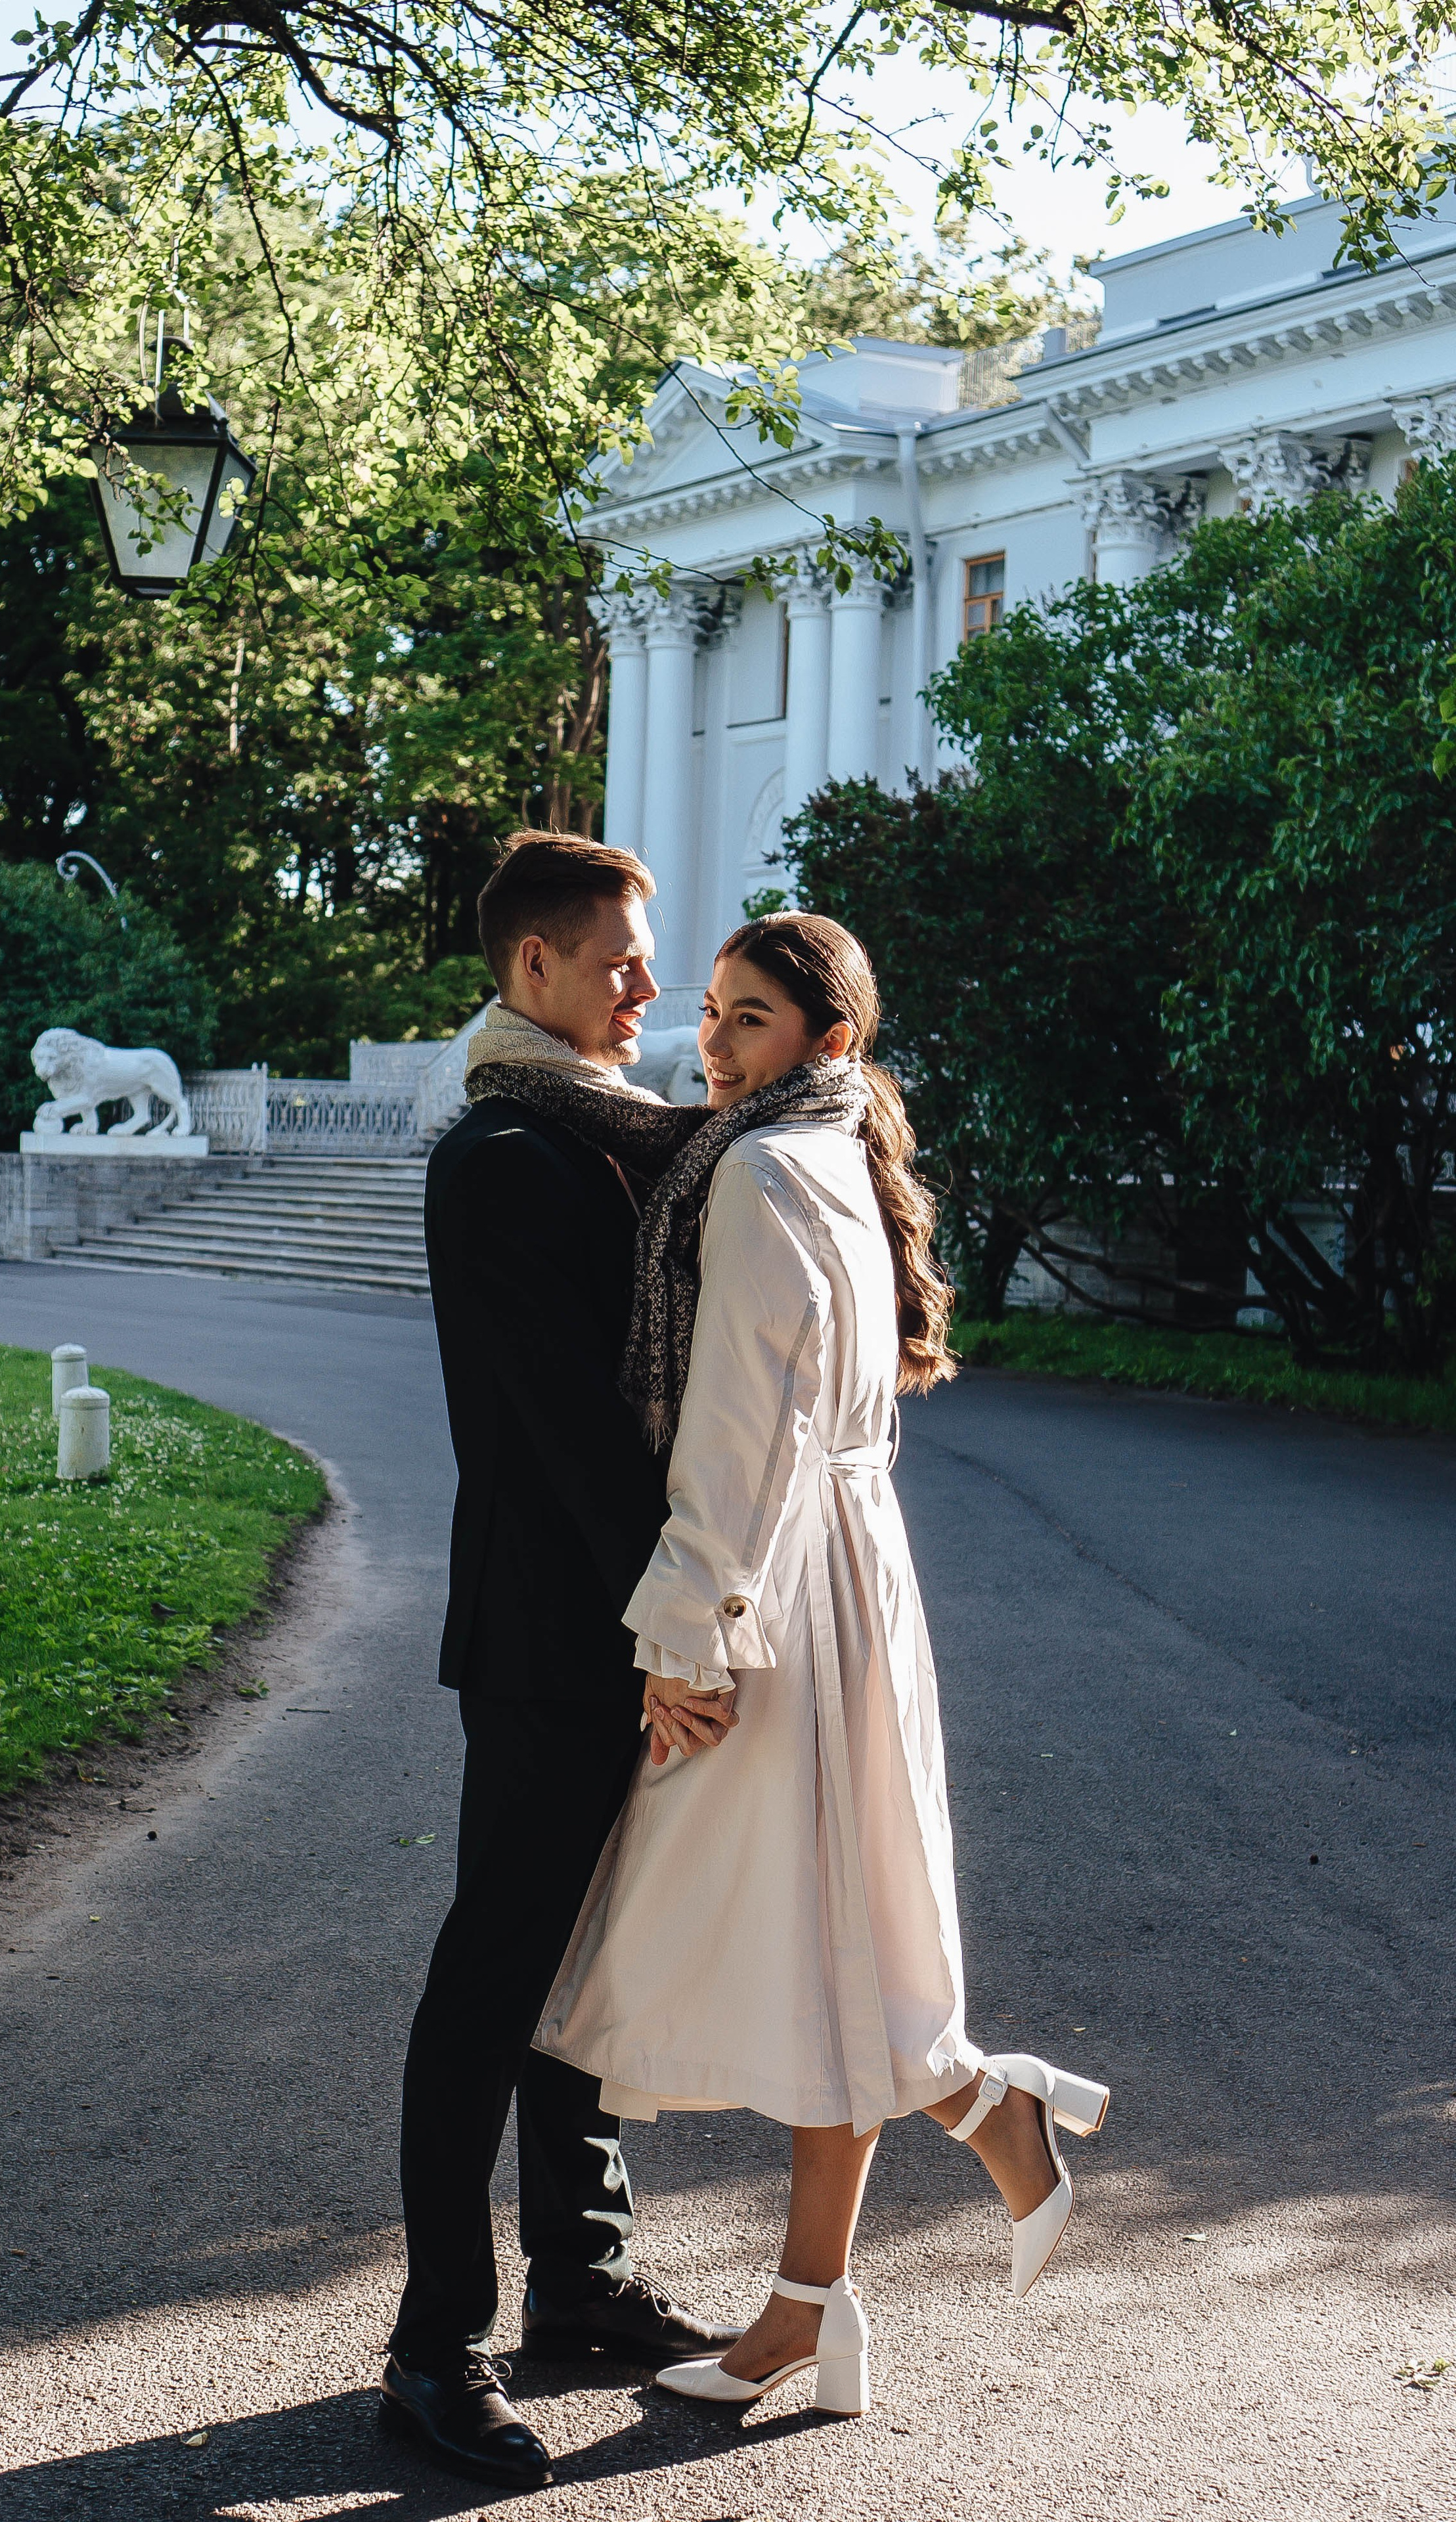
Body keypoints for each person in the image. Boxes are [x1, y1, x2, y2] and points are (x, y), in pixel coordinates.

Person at [531, 910, 1111, 2416]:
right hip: (842, 1565)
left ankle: (944, 2150)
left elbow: (739, 1430)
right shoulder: (832, 1157)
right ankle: (850, 2261)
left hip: (780, 1583)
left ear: (827, 1043)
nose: (706, 1046)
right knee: (822, 1935)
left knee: (790, 1934)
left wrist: (686, 1640)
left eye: (744, 1023)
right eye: (708, 1014)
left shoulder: (762, 1172)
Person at [382, 834, 738, 2492]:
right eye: (616, 961)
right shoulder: (501, 1156)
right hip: (552, 1634)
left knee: (585, 1969)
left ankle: (579, 2282)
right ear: (532, 966)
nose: (645, 988)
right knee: (495, 1979)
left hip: (621, 1612)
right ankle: (434, 2347)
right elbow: (576, 1442)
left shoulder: (610, 1142)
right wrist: (665, 1630)